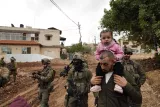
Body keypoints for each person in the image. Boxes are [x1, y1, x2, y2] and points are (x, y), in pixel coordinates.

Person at [91, 29, 124, 93]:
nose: (106, 39)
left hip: (114, 62)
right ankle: (98, 85)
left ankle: (118, 85)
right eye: (104, 38)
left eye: (108, 37)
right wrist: (99, 58)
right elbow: (96, 53)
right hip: (103, 61)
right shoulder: (99, 46)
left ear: (112, 38)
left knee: (119, 68)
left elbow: (121, 53)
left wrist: (116, 57)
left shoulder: (115, 46)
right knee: (98, 69)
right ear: (101, 39)